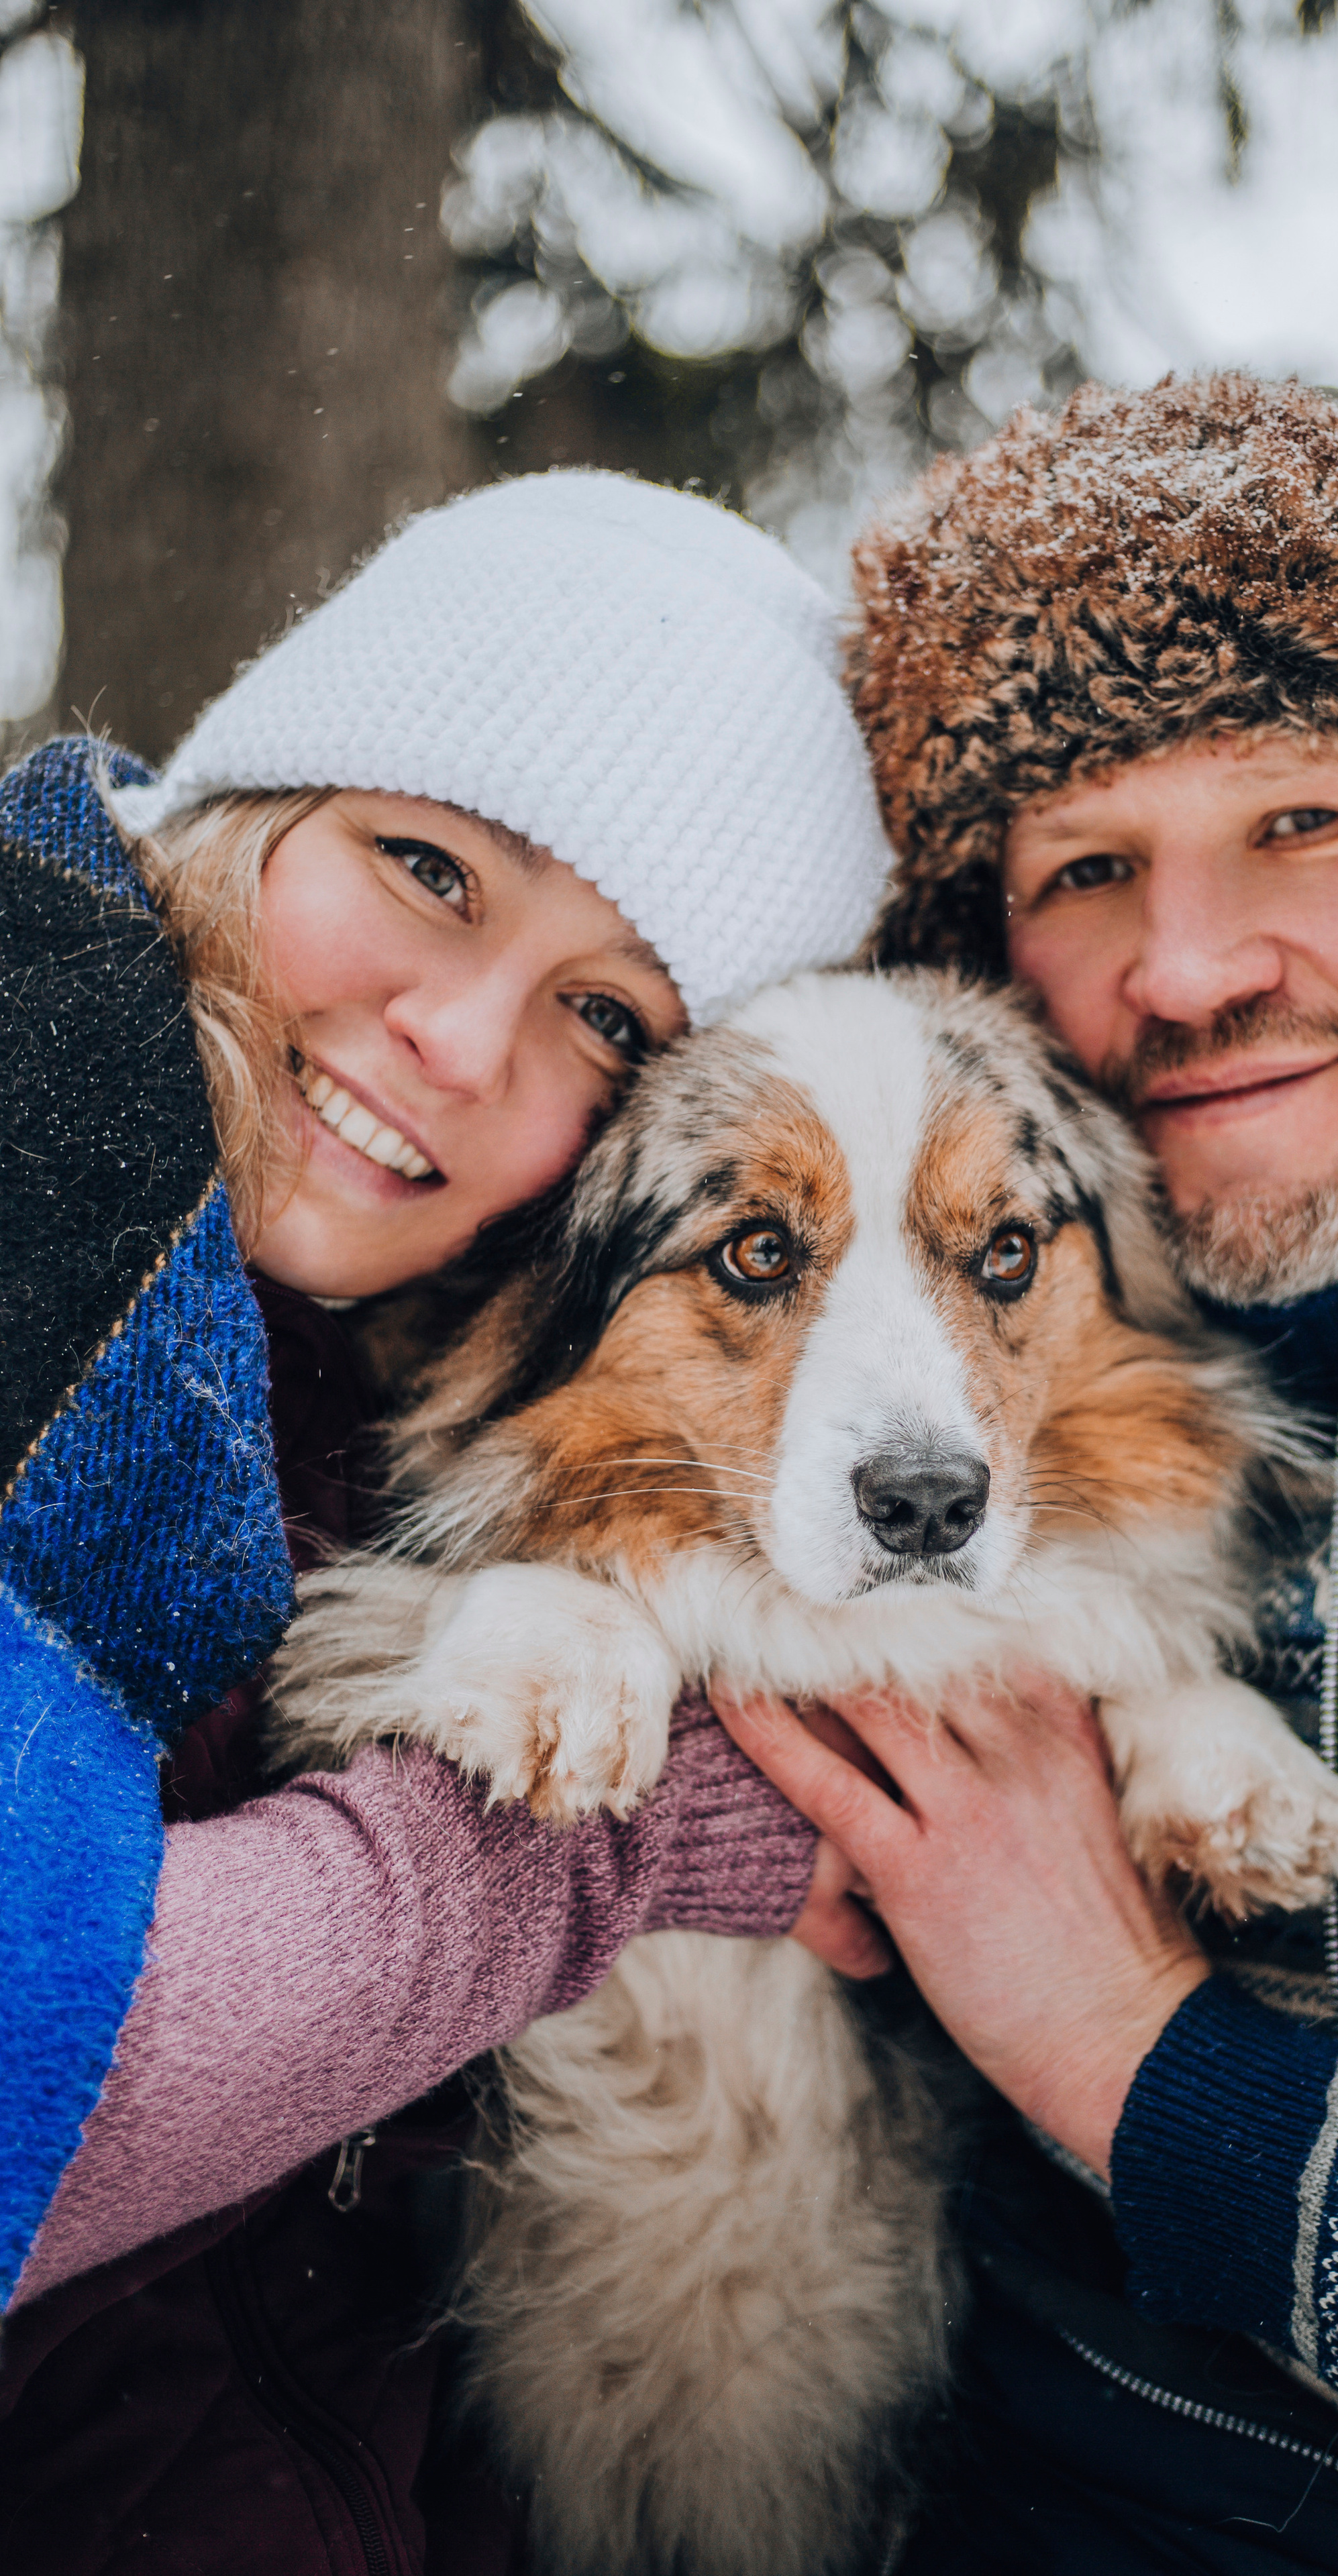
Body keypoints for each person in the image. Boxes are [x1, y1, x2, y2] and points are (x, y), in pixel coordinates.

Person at [723, 375, 1338, 2575]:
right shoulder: (853, 1459)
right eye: (1088, 870)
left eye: (1305, 825)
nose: (1182, 972)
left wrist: (1140, 2063)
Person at [0, 469, 892, 2574]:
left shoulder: (391, 1362)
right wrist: (656, 1832)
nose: (466, 1041)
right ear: (264, 798)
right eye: (427, 869)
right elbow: (49, 2069)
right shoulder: (45, 1129)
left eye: (612, 1018)